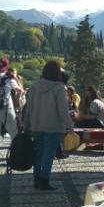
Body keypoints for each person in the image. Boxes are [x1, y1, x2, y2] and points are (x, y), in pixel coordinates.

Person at [22, 61, 73, 190]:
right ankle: (44, 179)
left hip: (37, 124)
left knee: (38, 152)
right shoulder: (59, 88)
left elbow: (28, 107)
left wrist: (26, 123)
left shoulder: (34, 86)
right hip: (53, 125)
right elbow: (63, 109)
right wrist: (70, 126)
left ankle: (37, 178)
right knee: (49, 153)